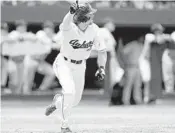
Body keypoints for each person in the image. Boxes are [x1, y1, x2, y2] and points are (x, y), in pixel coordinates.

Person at [45, 2, 107, 133]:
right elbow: (65, 22)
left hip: (80, 65)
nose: (91, 19)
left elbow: (102, 51)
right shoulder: (69, 27)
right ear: (81, 19)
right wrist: (70, 12)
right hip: (64, 63)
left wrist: (101, 68)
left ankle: (58, 102)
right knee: (69, 92)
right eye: (89, 17)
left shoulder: (94, 29)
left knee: (75, 100)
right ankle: (64, 126)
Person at [140, 23, 175, 103]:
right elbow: (157, 40)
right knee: (150, 78)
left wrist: (167, 37)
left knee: (161, 77)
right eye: (157, 30)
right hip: (151, 60)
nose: (158, 31)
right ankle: (151, 96)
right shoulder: (150, 37)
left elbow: (168, 38)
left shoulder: (165, 37)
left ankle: (156, 96)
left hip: (160, 60)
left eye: (159, 30)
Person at [23, 21, 56, 93]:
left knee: (52, 73)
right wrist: (52, 42)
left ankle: (41, 90)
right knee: (28, 83)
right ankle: (25, 99)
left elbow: (56, 44)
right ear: (44, 29)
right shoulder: (41, 33)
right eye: (47, 28)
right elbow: (43, 40)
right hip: (30, 60)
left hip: (40, 62)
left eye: (50, 28)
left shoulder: (51, 38)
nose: (48, 30)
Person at [122, 36, 144, 105]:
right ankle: (125, 100)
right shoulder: (132, 44)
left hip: (139, 67)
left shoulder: (143, 45)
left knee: (138, 85)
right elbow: (123, 52)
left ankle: (138, 100)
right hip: (131, 67)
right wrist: (125, 63)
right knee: (128, 84)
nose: (142, 39)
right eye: (142, 37)